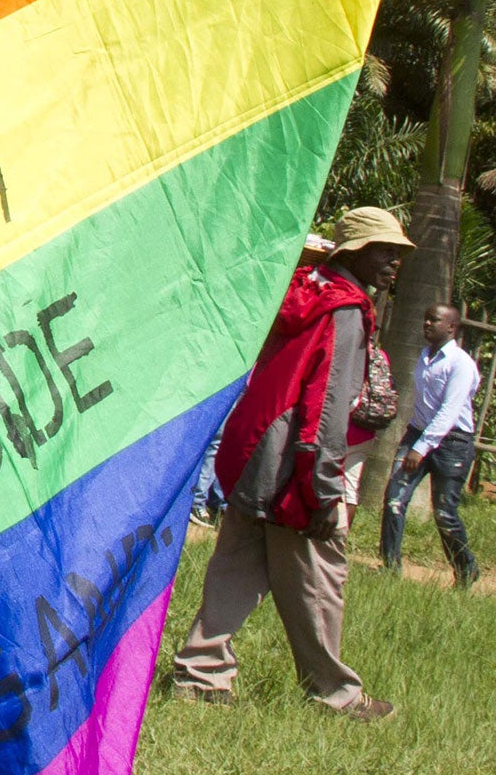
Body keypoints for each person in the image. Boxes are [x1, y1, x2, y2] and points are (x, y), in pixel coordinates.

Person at [169, 207, 412, 721]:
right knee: (319, 577)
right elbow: (326, 407)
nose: (394, 260)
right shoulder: (346, 310)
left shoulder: (303, 290)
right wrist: (323, 491)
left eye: (398, 252)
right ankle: (335, 695)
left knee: (237, 564)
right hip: (291, 468)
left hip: (253, 449)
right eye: (385, 250)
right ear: (354, 253)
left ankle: (199, 674)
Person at [380, 303, 482, 586]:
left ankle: (466, 569)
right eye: (425, 319)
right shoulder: (425, 356)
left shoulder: (461, 364)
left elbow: (450, 411)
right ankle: (389, 566)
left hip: (452, 443)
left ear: (451, 327)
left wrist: (420, 448)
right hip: (418, 434)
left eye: (434, 320)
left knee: (444, 512)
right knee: (394, 500)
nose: (427, 324)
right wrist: (416, 441)